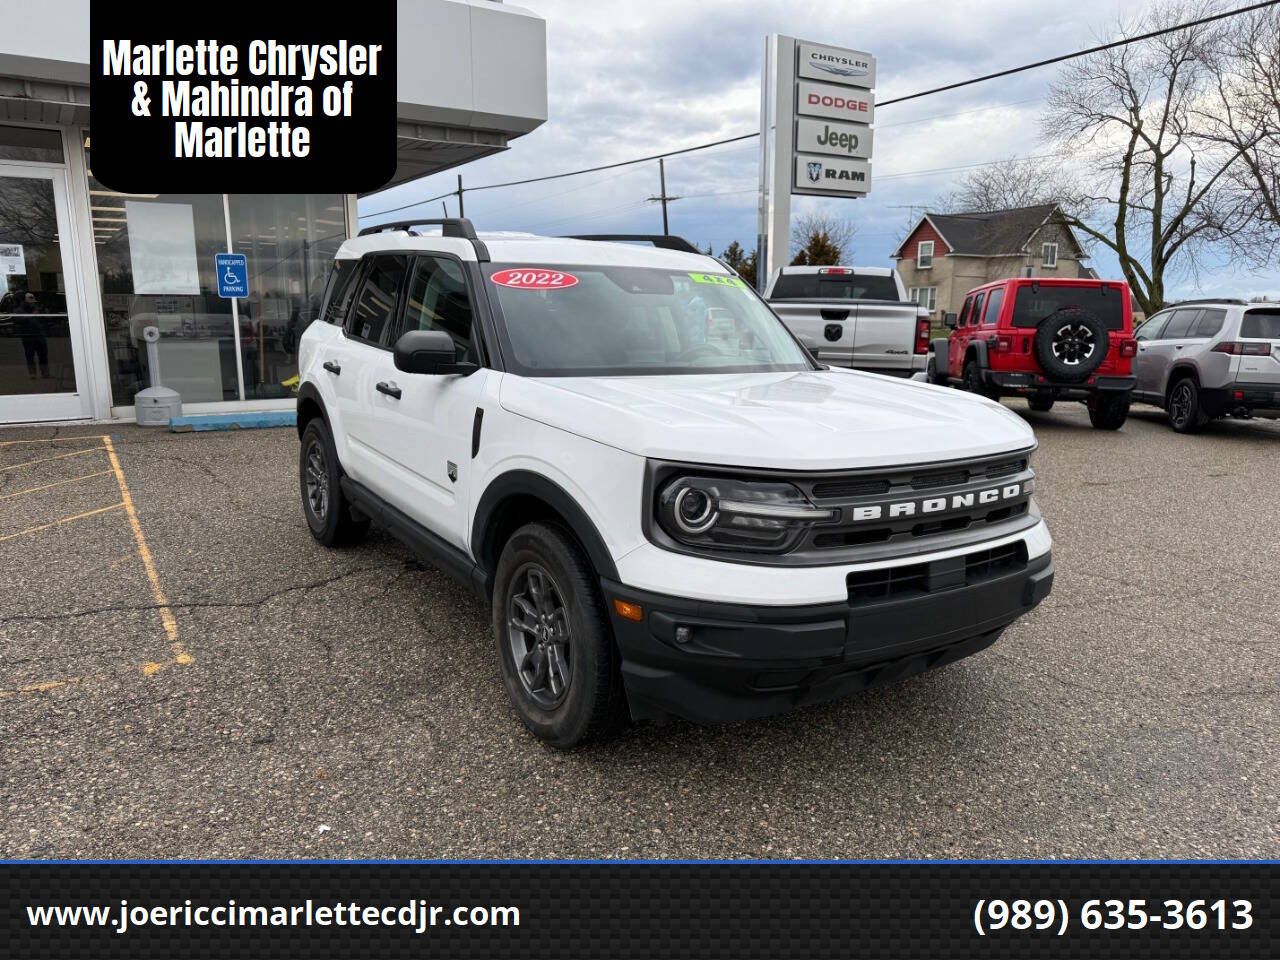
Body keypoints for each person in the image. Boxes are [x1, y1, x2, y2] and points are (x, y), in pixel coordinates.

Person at [18, 293, 49, 379]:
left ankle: (45, 373)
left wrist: (44, 313)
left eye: (32, 302)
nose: (32, 304)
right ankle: (32, 373)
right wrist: (33, 314)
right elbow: (19, 320)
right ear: (25, 302)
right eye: (30, 302)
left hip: (39, 335)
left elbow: (46, 320)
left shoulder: (37, 308)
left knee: (43, 355)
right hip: (28, 336)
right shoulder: (19, 310)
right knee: (30, 356)